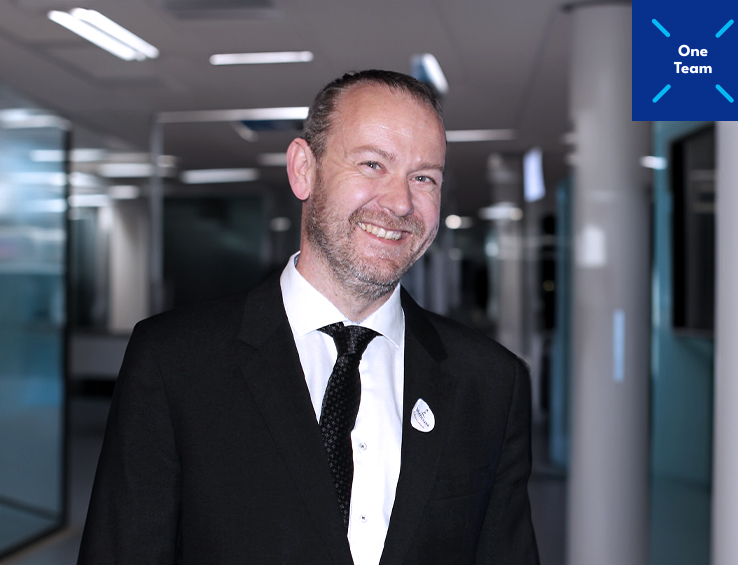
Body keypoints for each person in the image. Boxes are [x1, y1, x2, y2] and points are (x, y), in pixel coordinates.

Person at [78, 70, 539, 565]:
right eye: (372, 164)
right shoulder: (175, 362)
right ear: (304, 170)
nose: (401, 202)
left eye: (424, 177)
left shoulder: (489, 383)